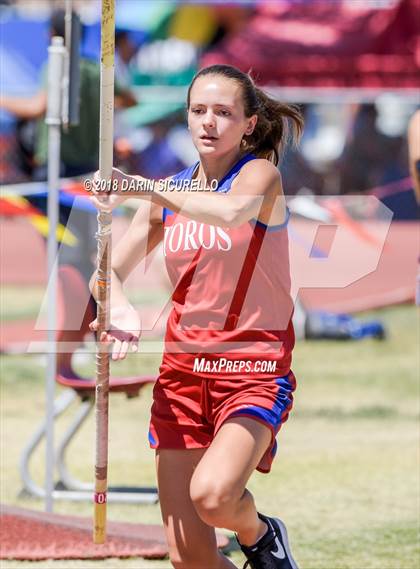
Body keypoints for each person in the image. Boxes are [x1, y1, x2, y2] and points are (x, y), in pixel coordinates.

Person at [89, 64, 303, 569]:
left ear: (249, 124)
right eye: (198, 110)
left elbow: (228, 212)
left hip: (251, 371)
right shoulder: (169, 192)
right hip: (182, 376)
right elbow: (108, 273)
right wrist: (116, 304)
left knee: (214, 497)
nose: (209, 122)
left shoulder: (259, 175)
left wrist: (139, 187)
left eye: (224, 112)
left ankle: (262, 535)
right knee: (190, 560)